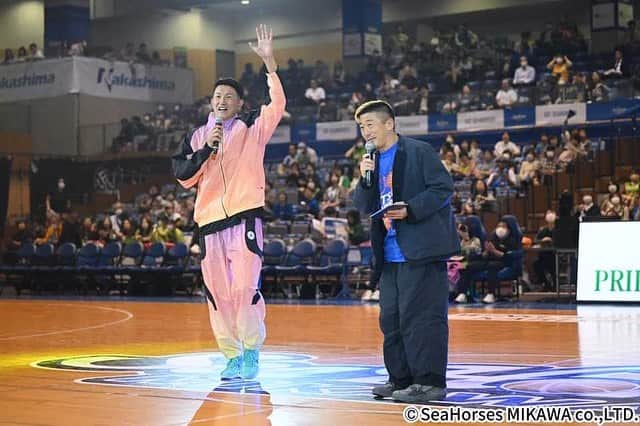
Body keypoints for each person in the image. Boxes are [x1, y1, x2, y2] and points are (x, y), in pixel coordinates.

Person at [172, 25, 285, 381]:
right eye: (217, 96)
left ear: (239, 105)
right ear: (211, 102)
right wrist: (207, 149)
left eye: (229, 97)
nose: (222, 101)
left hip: (244, 221)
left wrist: (269, 65)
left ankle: (251, 349)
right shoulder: (197, 137)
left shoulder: (253, 127)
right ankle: (231, 356)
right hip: (208, 226)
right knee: (218, 294)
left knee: (243, 289)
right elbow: (184, 176)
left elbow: (278, 105)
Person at [353, 100, 459, 403]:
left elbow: (442, 188)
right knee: (392, 320)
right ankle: (400, 379)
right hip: (389, 254)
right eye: (361, 127)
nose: (365, 131)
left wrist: (410, 209)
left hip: (421, 250)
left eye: (370, 124)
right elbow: (362, 206)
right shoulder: (371, 161)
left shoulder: (418, 151)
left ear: (389, 123)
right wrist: (364, 178)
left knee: (423, 319)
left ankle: (429, 382)